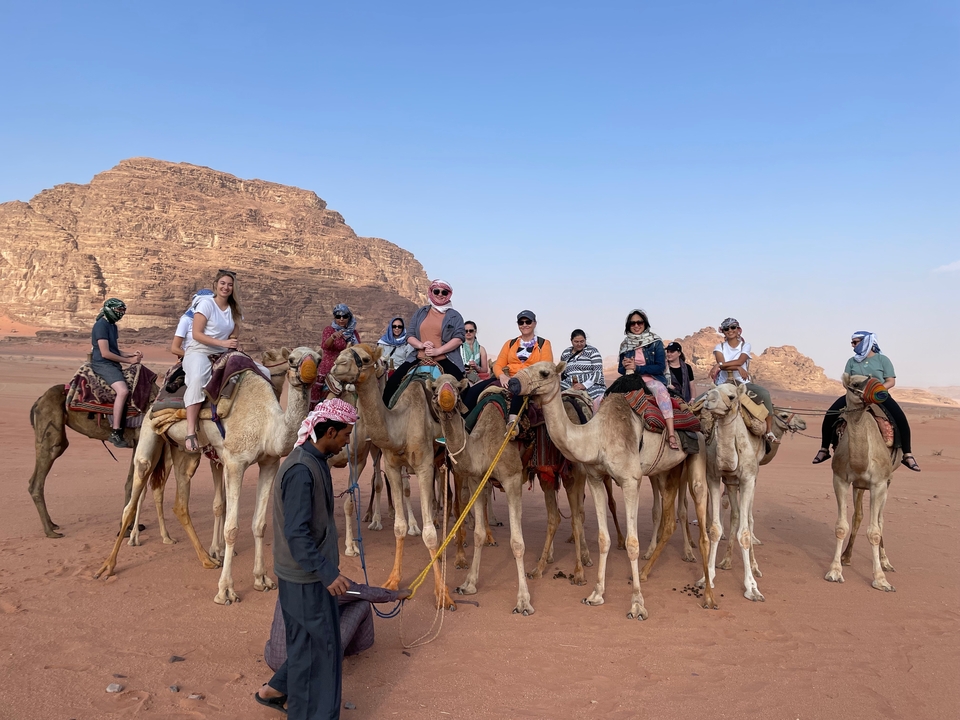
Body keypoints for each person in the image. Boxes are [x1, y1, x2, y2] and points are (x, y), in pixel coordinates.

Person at [255, 399, 357, 719]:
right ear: (329, 431)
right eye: (345, 436)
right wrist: (326, 572)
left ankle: (288, 700)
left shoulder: (312, 460)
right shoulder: (301, 469)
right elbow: (297, 533)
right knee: (321, 651)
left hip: (304, 574)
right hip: (306, 578)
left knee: (305, 648)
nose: (346, 442)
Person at [812, 331, 920, 471]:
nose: (852, 345)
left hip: (878, 395)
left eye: (855, 342)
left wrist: (876, 391)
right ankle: (824, 449)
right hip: (855, 395)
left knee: (900, 419)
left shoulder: (882, 360)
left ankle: (907, 454)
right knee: (830, 414)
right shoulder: (851, 361)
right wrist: (854, 392)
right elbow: (846, 381)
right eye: (852, 342)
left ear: (866, 342)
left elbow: (891, 381)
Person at [183, 270, 242, 453]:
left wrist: (232, 345)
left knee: (259, 372)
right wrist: (222, 343)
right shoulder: (206, 304)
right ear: (216, 284)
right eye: (222, 283)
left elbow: (234, 334)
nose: (226, 287)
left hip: (223, 352)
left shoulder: (235, 310)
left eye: (229, 285)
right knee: (198, 379)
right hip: (199, 350)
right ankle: (191, 430)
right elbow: (197, 334)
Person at [381, 279, 466, 405]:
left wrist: (438, 351)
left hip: (445, 358)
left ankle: (463, 423)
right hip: (418, 357)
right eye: (436, 291)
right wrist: (421, 345)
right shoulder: (421, 313)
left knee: (462, 388)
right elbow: (410, 335)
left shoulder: (455, 316)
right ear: (431, 292)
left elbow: (459, 338)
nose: (440, 294)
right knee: (392, 384)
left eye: (444, 292)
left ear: (449, 294)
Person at [709, 317, 777, 444]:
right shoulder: (719, 347)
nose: (730, 330)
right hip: (723, 384)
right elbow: (723, 363)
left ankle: (768, 431)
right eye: (726, 328)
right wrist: (735, 367)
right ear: (723, 331)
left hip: (743, 383)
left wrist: (721, 365)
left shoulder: (745, 346)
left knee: (765, 395)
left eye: (733, 327)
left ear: (738, 330)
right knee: (701, 403)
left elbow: (736, 361)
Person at [618, 309, 679, 450]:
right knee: (601, 399)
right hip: (630, 379)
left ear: (645, 324)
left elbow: (660, 367)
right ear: (628, 326)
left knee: (662, 392)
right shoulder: (625, 344)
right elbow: (620, 370)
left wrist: (638, 368)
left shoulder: (655, 342)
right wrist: (625, 366)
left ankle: (671, 434)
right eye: (632, 323)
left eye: (639, 322)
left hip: (650, 379)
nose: (636, 325)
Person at [90, 298, 142, 449]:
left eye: (122, 311)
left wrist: (130, 355)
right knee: (123, 391)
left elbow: (115, 350)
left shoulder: (112, 326)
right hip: (103, 364)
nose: (121, 314)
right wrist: (128, 361)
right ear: (109, 309)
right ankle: (116, 431)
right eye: (118, 311)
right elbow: (105, 353)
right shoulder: (101, 326)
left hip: (112, 363)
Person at [492, 310, 554, 425]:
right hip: (508, 377)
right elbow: (498, 364)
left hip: (530, 380)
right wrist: (501, 376)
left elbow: (546, 367)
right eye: (521, 322)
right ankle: (466, 426)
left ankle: (512, 423)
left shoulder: (544, 344)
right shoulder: (510, 343)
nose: (525, 325)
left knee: (518, 390)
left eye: (528, 322)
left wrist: (525, 378)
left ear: (534, 323)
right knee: (476, 390)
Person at [317, 304, 361, 401]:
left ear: (349, 317)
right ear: (334, 317)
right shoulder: (329, 330)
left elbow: (358, 348)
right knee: (318, 393)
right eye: (338, 316)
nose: (341, 319)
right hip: (329, 368)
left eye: (344, 316)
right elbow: (325, 346)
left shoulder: (353, 333)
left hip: (348, 368)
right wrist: (332, 337)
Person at [559, 329, 606, 406]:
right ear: (571, 341)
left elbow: (598, 372)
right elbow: (563, 372)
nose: (579, 344)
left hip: (592, 384)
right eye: (576, 342)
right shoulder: (566, 353)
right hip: (569, 383)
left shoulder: (593, 351)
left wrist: (584, 385)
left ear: (585, 340)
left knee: (599, 402)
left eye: (582, 341)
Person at [170, 289, 213, 359]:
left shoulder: (214, 321)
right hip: (192, 359)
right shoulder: (186, 320)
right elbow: (174, 349)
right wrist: (193, 357)